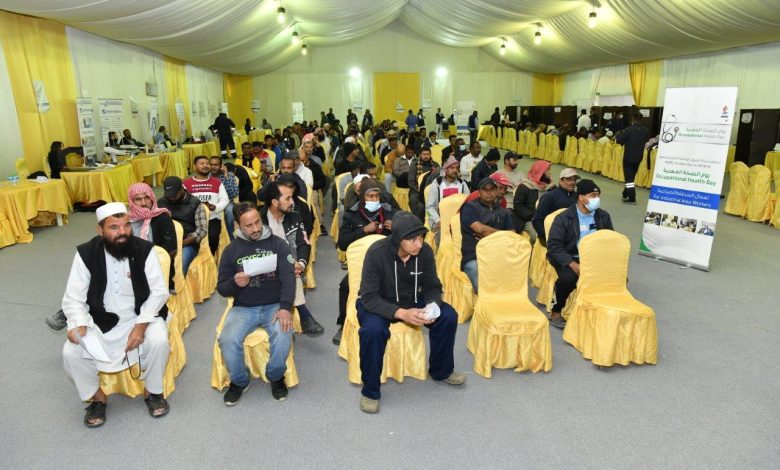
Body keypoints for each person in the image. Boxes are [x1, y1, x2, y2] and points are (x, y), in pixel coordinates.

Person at [61, 203, 170, 427]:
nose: (123, 232)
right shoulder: (86, 253)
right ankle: (97, 398)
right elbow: (73, 297)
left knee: (159, 340)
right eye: (114, 227)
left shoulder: (144, 249)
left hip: (141, 315)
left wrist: (141, 325)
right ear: (100, 230)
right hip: (100, 320)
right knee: (71, 352)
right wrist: (78, 323)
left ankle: (153, 392)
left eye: (126, 225)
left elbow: (159, 292)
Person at [357, 211, 465, 413]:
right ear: (398, 239)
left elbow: (432, 286)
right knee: (373, 331)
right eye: (413, 240)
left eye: (421, 238)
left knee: (448, 315)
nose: (419, 244)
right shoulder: (376, 253)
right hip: (379, 301)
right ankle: (370, 391)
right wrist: (401, 313)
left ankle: (441, 371)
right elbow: (368, 297)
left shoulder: (424, 252)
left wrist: (432, 306)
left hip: (413, 298)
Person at [217, 202, 295, 405]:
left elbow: (289, 279)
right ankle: (239, 381)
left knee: (284, 333)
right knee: (227, 339)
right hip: (243, 307)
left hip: (274, 305)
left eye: (258, 222)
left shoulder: (278, 244)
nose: (255, 228)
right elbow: (222, 288)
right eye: (249, 225)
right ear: (237, 226)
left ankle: (276, 376)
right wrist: (234, 283)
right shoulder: (231, 251)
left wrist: (285, 307)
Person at [546, 179, 614, 329]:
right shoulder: (564, 218)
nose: (596, 199)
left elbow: (609, 240)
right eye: (592, 195)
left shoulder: (603, 216)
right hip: (569, 256)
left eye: (598, 195)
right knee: (568, 279)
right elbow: (554, 246)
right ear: (581, 197)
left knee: (616, 277)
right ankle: (556, 310)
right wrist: (573, 264)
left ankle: (600, 312)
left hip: (594, 257)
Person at [334, 179, 395, 345]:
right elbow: (342, 243)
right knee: (345, 286)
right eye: (370, 196)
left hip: (387, 263)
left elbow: (406, 236)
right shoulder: (351, 214)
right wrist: (363, 230)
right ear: (362, 197)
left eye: (377, 196)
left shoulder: (389, 211)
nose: (374, 200)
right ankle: (343, 323)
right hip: (360, 264)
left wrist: (396, 228)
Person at [261, 179, 324, 337]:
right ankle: (304, 314)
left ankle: (292, 319)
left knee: (291, 272)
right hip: (264, 268)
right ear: (275, 202)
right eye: (288, 198)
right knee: (289, 273)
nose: (292, 202)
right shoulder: (259, 221)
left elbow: (304, 243)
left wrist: (301, 264)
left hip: (291, 266)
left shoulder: (295, 217)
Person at [460, 177, 514, 293]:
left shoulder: (504, 212)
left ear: (496, 192)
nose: (489, 192)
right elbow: (479, 229)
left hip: (498, 256)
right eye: (485, 189)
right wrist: (502, 234)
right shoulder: (470, 207)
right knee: (485, 290)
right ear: (479, 193)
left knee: (511, 284)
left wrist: (489, 234)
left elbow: (512, 236)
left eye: (492, 189)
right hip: (475, 257)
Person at [127, 183, 177, 289]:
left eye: (147, 198)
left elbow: (171, 249)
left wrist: (147, 265)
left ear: (152, 198)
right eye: (138, 199)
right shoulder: (126, 221)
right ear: (131, 202)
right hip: (130, 267)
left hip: (157, 267)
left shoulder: (162, 217)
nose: (144, 203)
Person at [158, 176, 208, 276]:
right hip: (166, 241)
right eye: (169, 195)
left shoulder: (195, 203)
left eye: (174, 195)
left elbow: (202, 230)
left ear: (182, 189)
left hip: (187, 243)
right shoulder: (160, 202)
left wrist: (181, 244)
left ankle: (179, 284)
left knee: (180, 264)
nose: (171, 198)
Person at [183, 156, 229, 255]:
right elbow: (182, 201)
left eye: (207, 163)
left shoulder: (217, 182)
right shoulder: (186, 184)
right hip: (192, 219)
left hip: (212, 217)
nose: (205, 165)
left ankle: (210, 258)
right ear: (195, 166)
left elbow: (225, 200)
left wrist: (215, 207)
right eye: (202, 163)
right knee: (190, 240)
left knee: (213, 239)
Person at [531, 168, 579, 246]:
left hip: (573, 237)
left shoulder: (578, 197)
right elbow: (537, 221)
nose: (573, 182)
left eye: (574, 179)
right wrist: (549, 237)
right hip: (552, 238)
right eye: (569, 179)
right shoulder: (549, 197)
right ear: (561, 181)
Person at [425, 156, 470, 234]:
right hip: (440, 220)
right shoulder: (437, 183)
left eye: (457, 168)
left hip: (458, 220)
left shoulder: (462, 184)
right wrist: (438, 221)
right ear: (445, 169)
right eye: (452, 168)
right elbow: (430, 207)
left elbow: (468, 204)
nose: (455, 170)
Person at [513, 160, 553, 242]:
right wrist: (534, 216)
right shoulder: (524, 187)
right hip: (529, 219)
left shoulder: (550, 187)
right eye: (547, 170)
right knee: (537, 236)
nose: (550, 173)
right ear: (540, 172)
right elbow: (518, 207)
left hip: (546, 219)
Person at [616, 111, 650, 205]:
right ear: (641, 119)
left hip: (628, 157)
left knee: (629, 179)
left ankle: (632, 198)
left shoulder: (628, 130)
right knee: (631, 177)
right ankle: (625, 193)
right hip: (639, 157)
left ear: (633, 119)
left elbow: (619, 140)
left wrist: (620, 134)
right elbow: (646, 140)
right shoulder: (646, 130)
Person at [210, 157, 239, 241]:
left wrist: (226, 176)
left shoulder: (229, 175)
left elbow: (234, 194)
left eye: (216, 165)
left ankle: (231, 238)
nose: (213, 167)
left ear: (221, 166)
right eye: (211, 164)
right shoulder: (206, 176)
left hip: (227, 202)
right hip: (211, 201)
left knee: (230, 211)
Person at [408, 146, 436, 221]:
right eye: (424, 154)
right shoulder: (414, 164)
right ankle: (418, 221)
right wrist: (420, 190)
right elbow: (411, 181)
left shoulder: (435, 165)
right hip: (416, 189)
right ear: (420, 155)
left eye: (427, 154)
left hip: (431, 190)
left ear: (430, 154)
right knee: (415, 202)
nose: (426, 156)